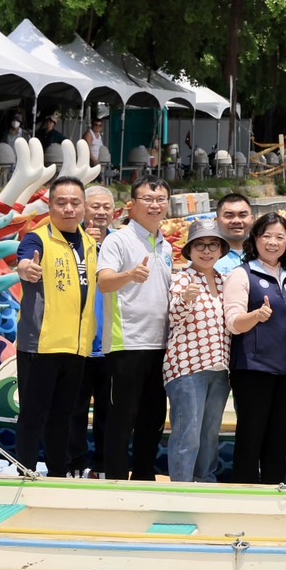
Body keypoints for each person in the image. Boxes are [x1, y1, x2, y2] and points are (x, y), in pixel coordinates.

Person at [12, 177, 97, 477]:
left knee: (64, 416)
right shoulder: (38, 239)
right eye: (61, 202)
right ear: (49, 206)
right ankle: (25, 473)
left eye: (75, 202)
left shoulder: (89, 243)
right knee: (33, 416)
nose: (69, 208)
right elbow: (23, 260)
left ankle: (57, 475)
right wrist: (25, 268)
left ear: (84, 207)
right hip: (41, 344)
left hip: (76, 347)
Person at [96, 175, 174, 481]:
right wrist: (130, 275)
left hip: (161, 345)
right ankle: (115, 479)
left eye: (160, 200)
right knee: (121, 418)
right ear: (132, 204)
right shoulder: (119, 239)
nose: (154, 205)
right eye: (147, 199)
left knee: (153, 418)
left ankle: (143, 477)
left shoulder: (165, 245)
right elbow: (104, 282)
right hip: (126, 343)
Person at [222, 213, 286, 484]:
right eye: (266, 235)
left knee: (278, 437)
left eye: (280, 237)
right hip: (252, 370)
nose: (273, 242)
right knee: (251, 436)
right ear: (255, 239)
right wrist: (255, 316)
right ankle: (245, 493)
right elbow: (233, 323)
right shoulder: (242, 275)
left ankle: (273, 488)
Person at [164, 219, 231, 483]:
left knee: (209, 433)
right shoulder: (182, 279)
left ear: (221, 249)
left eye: (213, 244)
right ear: (190, 250)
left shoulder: (224, 281)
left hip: (220, 367)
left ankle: (205, 483)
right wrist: (186, 299)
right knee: (186, 433)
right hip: (188, 367)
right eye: (200, 245)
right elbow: (174, 316)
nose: (206, 250)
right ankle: (182, 488)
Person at [68, 184, 117, 478]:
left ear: (115, 212)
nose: (100, 212)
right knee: (74, 409)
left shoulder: (121, 243)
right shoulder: (69, 243)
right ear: (84, 208)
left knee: (109, 413)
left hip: (112, 343)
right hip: (78, 342)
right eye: (94, 206)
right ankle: (74, 463)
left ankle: (103, 465)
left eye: (106, 207)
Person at [214, 193, 254, 277]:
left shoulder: (264, 251)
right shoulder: (205, 255)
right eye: (229, 216)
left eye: (242, 215)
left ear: (252, 219)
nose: (236, 221)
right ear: (216, 220)